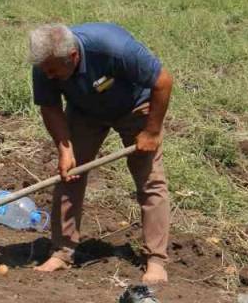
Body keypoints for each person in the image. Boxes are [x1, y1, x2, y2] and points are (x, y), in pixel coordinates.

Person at [28, 23, 174, 285]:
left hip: (135, 105)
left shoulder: (113, 48)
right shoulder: (45, 65)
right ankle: (62, 252)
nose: (47, 76)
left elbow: (163, 81)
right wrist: (64, 148)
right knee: (69, 175)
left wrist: (151, 131)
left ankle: (156, 260)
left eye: (52, 71)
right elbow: (49, 107)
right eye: (44, 71)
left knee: (150, 179)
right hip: (85, 110)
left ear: (72, 57)